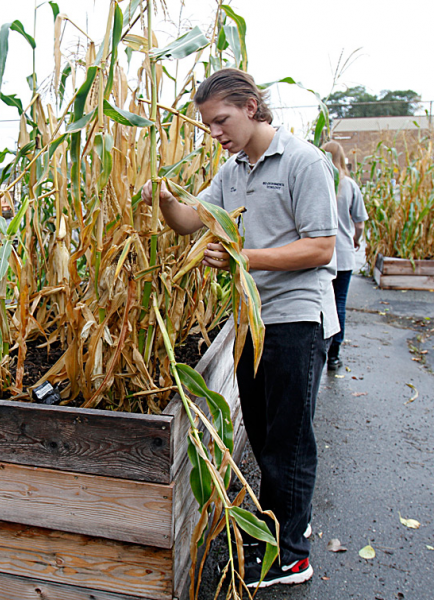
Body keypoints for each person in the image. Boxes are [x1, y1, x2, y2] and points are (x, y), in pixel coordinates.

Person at [142, 68, 338, 589]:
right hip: (251, 320)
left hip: (297, 319)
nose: (215, 132)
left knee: (288, 440)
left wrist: (242, 258)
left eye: (221, 120)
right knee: (265, 430)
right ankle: (284, 521)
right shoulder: (232, 172)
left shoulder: (303, 161)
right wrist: (163, 199)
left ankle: (291, 557)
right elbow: (189, 220)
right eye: (208, 125)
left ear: (252, 107)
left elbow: (322, 247)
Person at [321, 141, 368, 371]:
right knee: (339, 303)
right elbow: (359, 222)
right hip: (344, 254)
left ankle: (321, 347)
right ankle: (334, 354)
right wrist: (355, 238)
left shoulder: (319, 182)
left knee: (321, 304)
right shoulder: (349, 186)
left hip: (320, 256)